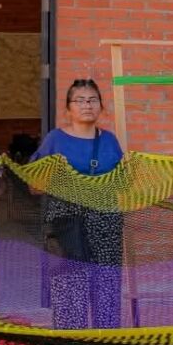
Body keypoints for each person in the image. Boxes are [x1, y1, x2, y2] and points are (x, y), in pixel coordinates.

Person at [30, 78, 125, 329]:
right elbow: (33, 185)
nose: (87, 105)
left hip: (106, 226)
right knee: (69, 292)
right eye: (80, 100)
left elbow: (122, 183)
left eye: (93, 100)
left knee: (106, 292)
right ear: (68, 108)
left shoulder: (110, 141)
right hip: (66, 226)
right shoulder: (55, 140)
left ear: (101, 106)